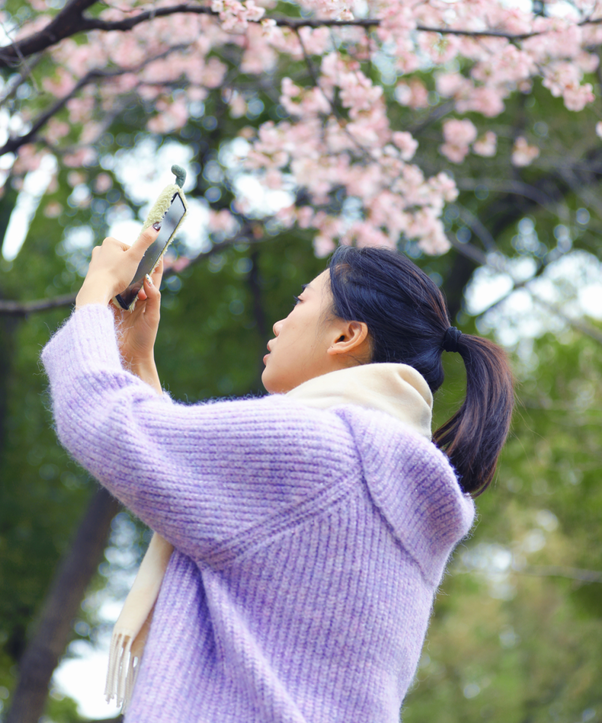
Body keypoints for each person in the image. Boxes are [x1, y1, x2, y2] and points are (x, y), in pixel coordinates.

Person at [41, 225, 514, 723]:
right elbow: (206, 499)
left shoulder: (322, 451)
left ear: (346, 335)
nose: (279, 324)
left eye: (300, 303)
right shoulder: (393, 483)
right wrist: (136, 359)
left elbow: (107, 422)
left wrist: (93, 297)